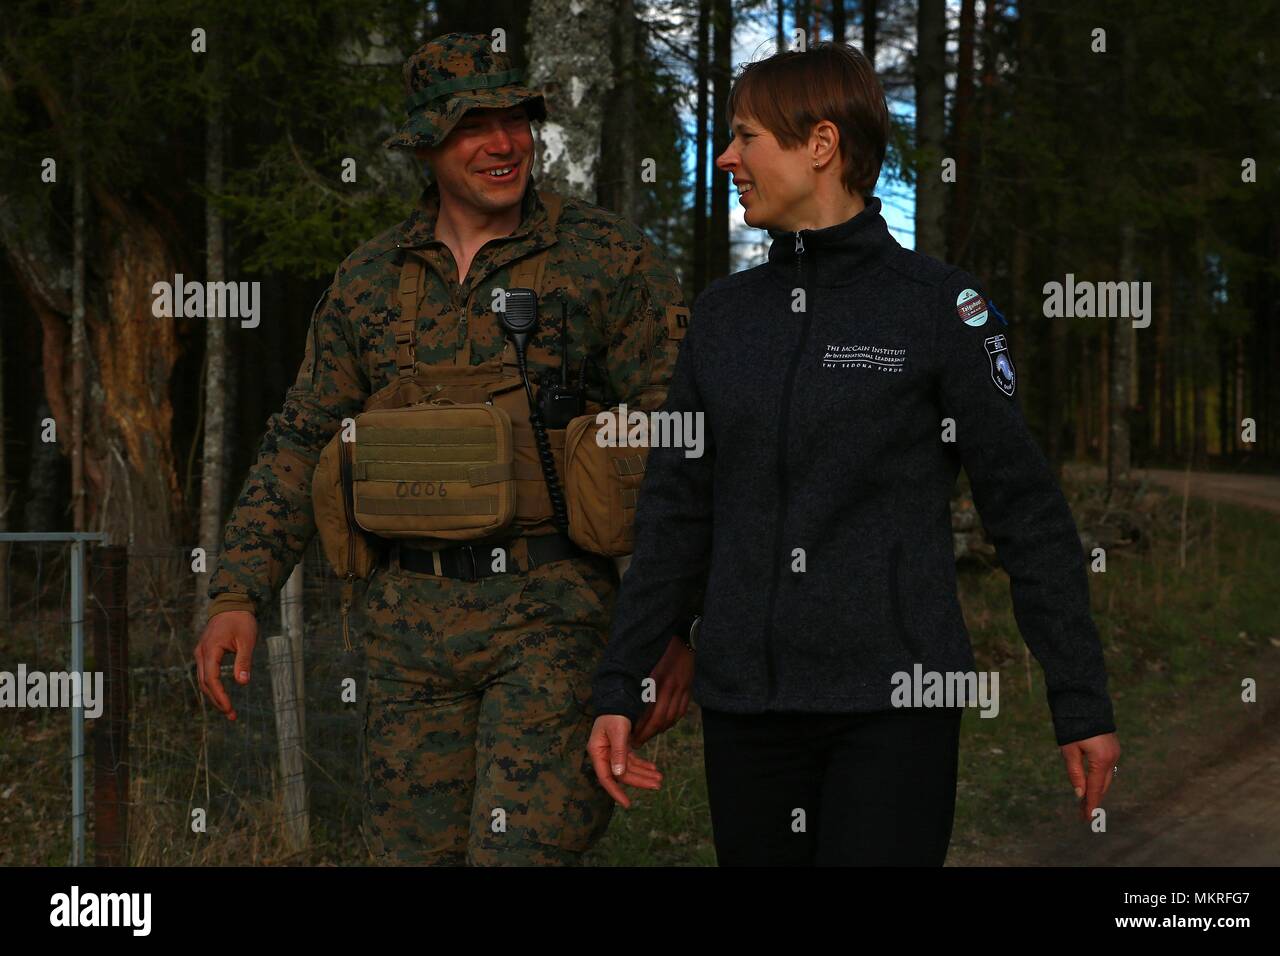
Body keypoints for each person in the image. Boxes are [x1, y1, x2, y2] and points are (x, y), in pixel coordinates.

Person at [587, 42, 1122, 866]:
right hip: (749, 718)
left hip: (892, 711)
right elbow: (674, 512)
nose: (726, 157)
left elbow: (1026, 511)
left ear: (822, 146)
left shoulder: (940, 308)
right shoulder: (724, 320)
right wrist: (621, 682)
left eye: (744, 137)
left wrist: (1079, 699)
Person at [193, 32, 694, 866]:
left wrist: (675, 622)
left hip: (554, 617)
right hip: (405, 635)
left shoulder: (605, 260)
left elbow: (684, 439)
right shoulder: (368, 280)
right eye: (473, 126)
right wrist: (238, 592)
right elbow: (301, 436)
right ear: (424, 143)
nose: (504, 144)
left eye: (517, 120)